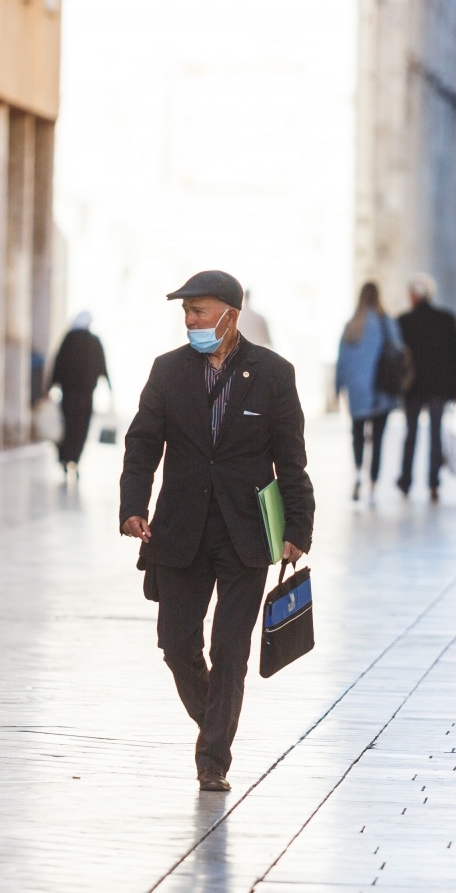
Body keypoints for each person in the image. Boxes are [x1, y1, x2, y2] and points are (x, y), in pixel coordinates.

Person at [119, 270, 314, 792]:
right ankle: (216, 722)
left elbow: (291, 461)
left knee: (231, 649)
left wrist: (298, 527)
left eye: (199, 311)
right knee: (176, 643)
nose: (190, 321)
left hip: (244, 533)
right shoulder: (167, 372)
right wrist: (133, 505)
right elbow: (142, 445)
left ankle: (212, 759)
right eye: (186, 312)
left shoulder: (273, 374)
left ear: (230, 314)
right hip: (179, 531)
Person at [395, 274, 456, 502]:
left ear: (414, 296)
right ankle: (433, 484)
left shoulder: (404, 321)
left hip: (413, 388)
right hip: (438, 388)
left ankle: (406, 481)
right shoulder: (445, 319)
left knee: (411, 434)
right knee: (436, 434)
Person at [335, 282, 400, 503]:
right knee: (378, 440)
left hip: (356, 391)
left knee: (357, 434)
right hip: (381, 390)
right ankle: (373, 486)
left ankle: (357, 474)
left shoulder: (351, 325)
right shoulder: (385, 322)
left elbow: (341, 361)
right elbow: (398, 351)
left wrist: (338, 388)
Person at [48, 312, 109, 480]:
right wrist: (109, 389)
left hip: (69, 395)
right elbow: (103, 366)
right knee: (81, 428)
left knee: (67, 427)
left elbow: (57, 364)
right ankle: (75, 459)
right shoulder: (93, 341)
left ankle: (65, 459)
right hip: (85, 396)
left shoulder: (68, 340)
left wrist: (49, 387)